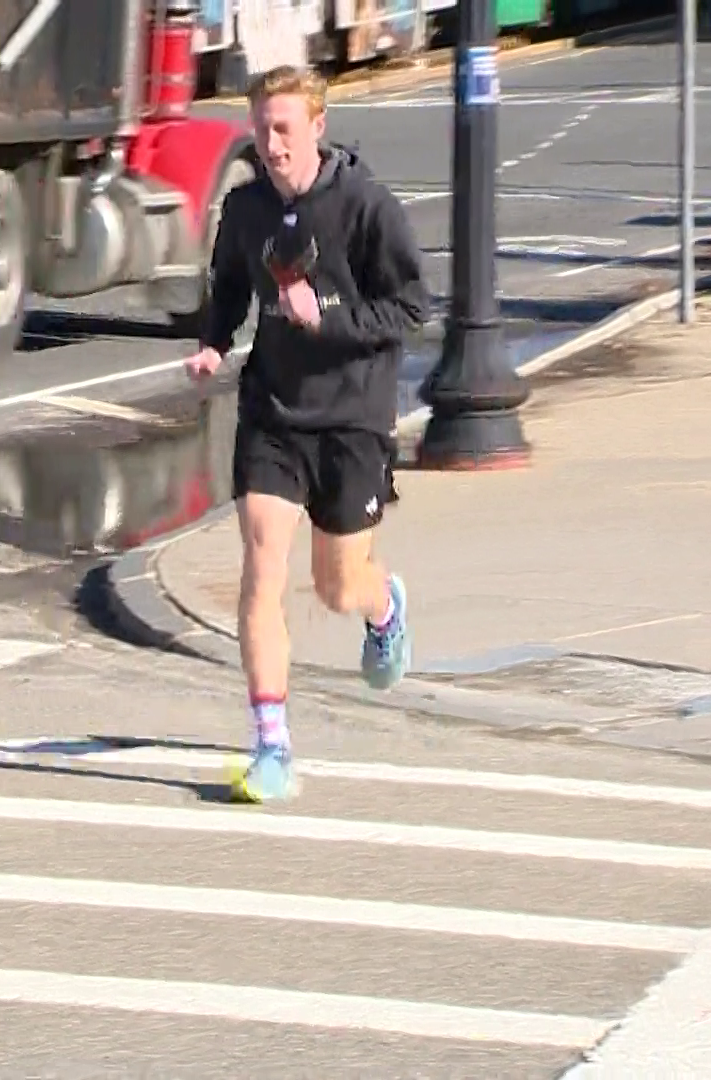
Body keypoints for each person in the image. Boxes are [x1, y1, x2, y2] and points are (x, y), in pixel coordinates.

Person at [183, 65, 427, 803]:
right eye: (260, 129)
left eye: (284, 128)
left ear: (318, 127)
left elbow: (412, 307)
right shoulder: (247, 208)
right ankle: (272, 747)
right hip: (275, 414)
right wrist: (214, 341)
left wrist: (333, 323)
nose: (271, 142)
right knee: (262, 569)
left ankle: (383, 607)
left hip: (352, 416)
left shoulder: (366, 206)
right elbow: (228, 284)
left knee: (335, 584)